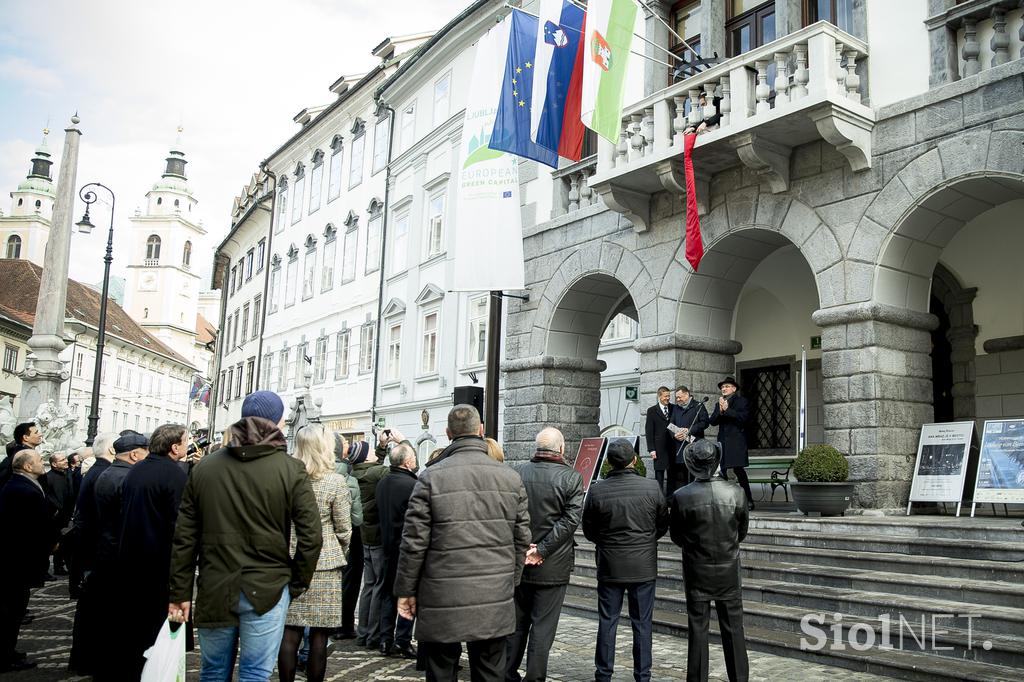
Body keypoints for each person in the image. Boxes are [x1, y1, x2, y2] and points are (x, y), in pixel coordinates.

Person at [168, 391, 322, 681]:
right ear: (278, 422)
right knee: (255, 673)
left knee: (213, 671)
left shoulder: (204, 468)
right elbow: (311, 537)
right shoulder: (290, 470)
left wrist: (180, 593)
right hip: (269, 586)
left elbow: (184, 538)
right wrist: (296, 582)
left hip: (216, 584)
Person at [395, 405, 531, 682]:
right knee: (490, 671)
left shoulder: (430, 477)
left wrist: (406, 590)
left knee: (441, 670)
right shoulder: (510, 478)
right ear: (481, 431)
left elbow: (413, 543)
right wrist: (511, 580)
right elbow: (522, 538)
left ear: (448, 434)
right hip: (493, 593)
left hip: (442, 594)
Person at [582, 440, 669, 682]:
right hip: (642, 565)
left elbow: (589, 529)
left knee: (607, 622)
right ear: (634, 460)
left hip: (610, 563)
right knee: (642, 624)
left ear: (608, 462)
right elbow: (661, 525)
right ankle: (643, 676)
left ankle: (603, 675)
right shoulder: (652, 488)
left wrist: (607, 542)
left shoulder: (598, 490)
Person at [506, 427, 584, 682]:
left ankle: (507, 674)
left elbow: (512, 517)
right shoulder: (571, 478)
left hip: (520, 561)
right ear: (561, 449)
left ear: (536, 447)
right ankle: (534, 678)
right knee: (542, 627)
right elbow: (570, 520)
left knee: (517, 625)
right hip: (552, 565)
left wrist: (527, 548)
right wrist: (542, 550)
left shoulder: (517, 473)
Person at [669, 439, 749, 682]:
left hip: (697, 569)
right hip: (727, 568)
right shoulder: (736, 492)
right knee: (734, 629)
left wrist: (695, 547)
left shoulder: (682, 496)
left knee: (698, 631)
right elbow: (741, 532)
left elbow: (677, 535)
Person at [278, 424, 352, 682]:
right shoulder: (335, 481)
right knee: (320, 635)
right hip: (326, 561)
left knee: (290, 631)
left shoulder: (287, 479)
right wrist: (339, 551)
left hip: (291, 557)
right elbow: (344, 528)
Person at [119, 424, 190, 679]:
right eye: (185, 441)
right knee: (160, 631)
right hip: (160, 561)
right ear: (174, 447)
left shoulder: (136, 470)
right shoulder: (175, 475)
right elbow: (180, 524)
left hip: (131, 556)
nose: (187, 445)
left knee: (134, 626)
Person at [87, 432, 149, 680]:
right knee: (121, 618)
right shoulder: (128, 478)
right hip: (120, 554)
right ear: (135, 454)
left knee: (108, 615)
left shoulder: (106, 473)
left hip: (105, 551)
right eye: (145, 452)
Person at [0, 449, 54, 672]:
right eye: (40, 460)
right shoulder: (23, 490)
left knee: (13, 610)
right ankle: (5, 656)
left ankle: (8, 651)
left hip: (15, 559)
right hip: (18, 561)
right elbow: (32, 527)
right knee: (11, 611)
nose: (43, 463)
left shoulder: (18, 485)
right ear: (28, 466)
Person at [66, 433, 117, 674]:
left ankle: (84, 659)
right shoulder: (103, 474)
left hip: (91, 549)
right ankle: (87, 660)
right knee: (93, 610)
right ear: (112, 451)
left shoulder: (97, 471)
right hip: (96, 550)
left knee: (90, 610)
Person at [375, 442, 418, 659]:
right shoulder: (412, 485)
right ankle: (402, 639)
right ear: (407, 462)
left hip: (386, 546)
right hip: (406, 547)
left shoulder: (383, 482)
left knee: (387, 593)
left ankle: (385, 639)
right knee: (406, 592)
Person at [352, 436, 388, 649]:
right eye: (371, 450)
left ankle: (363, 631)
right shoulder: (375, 473)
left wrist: (382, 447)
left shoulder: (357, 472)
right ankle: (373, 635)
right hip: (378, 537)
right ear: (366, 457)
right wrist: (402, 443)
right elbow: (403, 468)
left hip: (365, 535)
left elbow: (377, 463)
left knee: (368, 585)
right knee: (378, 586)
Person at [708, 377, 754, 510]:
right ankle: (725, 501)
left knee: (739, 470)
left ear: (734, 389)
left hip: (737, 441)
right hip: (723, 441)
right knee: (722, 471)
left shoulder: (741, 401)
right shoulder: (719, 403)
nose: (724, 388)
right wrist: (721, 411)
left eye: (727, 386)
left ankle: (749, 500)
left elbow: (743, 418)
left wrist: (727, 411)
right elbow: (712, 421)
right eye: (722, 387)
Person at [334, 433, 364, 640]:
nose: (348, 445)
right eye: (345, 443)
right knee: (349, 581)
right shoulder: (348, 477)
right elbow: (356, 517)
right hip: (348, 537)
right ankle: (343, 625)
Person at [669, 386, 710, 492]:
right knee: (680, 476)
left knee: (693, 475)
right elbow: (670, 424)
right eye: (676, 398)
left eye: (680, 397)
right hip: (679, 446)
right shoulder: (676, 408)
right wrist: (674, 435)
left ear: (687, 394)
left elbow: (705, 423)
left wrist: (689, 430)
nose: (678, 400)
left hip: (694, 446)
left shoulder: (698, 406)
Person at [44, 452, 74, 575]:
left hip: (66, 516)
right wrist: (56, 510)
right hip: (55, 517)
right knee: (52, 544)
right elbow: (48, 496)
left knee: (64, 543)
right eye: (62, 460)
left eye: (65, 459)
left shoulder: (67, 474)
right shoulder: (48, 477)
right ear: (54, 464)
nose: (65, 461)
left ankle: (59, 566)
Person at [644, 386, 675, 496]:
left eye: (669, 396)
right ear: (659, 396)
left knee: (672, 475)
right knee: (659, 476)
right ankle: (659, 500)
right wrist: (651, 449)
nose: (668, 398)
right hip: (659, 448)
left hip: (672, 447)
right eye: (665, 396)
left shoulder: (674, 408)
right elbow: (649, 431)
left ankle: (671, 500)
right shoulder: (652, 411)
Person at [0, 422, 43, 488]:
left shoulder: (21, 452)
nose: (40, 435)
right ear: (25, 437)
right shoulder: (22, 456)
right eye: (36, 433)